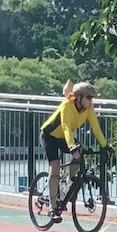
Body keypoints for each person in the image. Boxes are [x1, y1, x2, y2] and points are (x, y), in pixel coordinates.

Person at [40, 81, 107, 223]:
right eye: (88, 98)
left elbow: (96, 128)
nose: (91, 101)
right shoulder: (67, 106)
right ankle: (53, 208)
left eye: (92, 98)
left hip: (64, 137)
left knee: (79, 154)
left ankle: (69, 186)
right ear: (78, 98)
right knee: (56, 166)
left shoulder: (89, 109)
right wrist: (71, 146)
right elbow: (65, 127)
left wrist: (105, 146)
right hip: (49, 136)